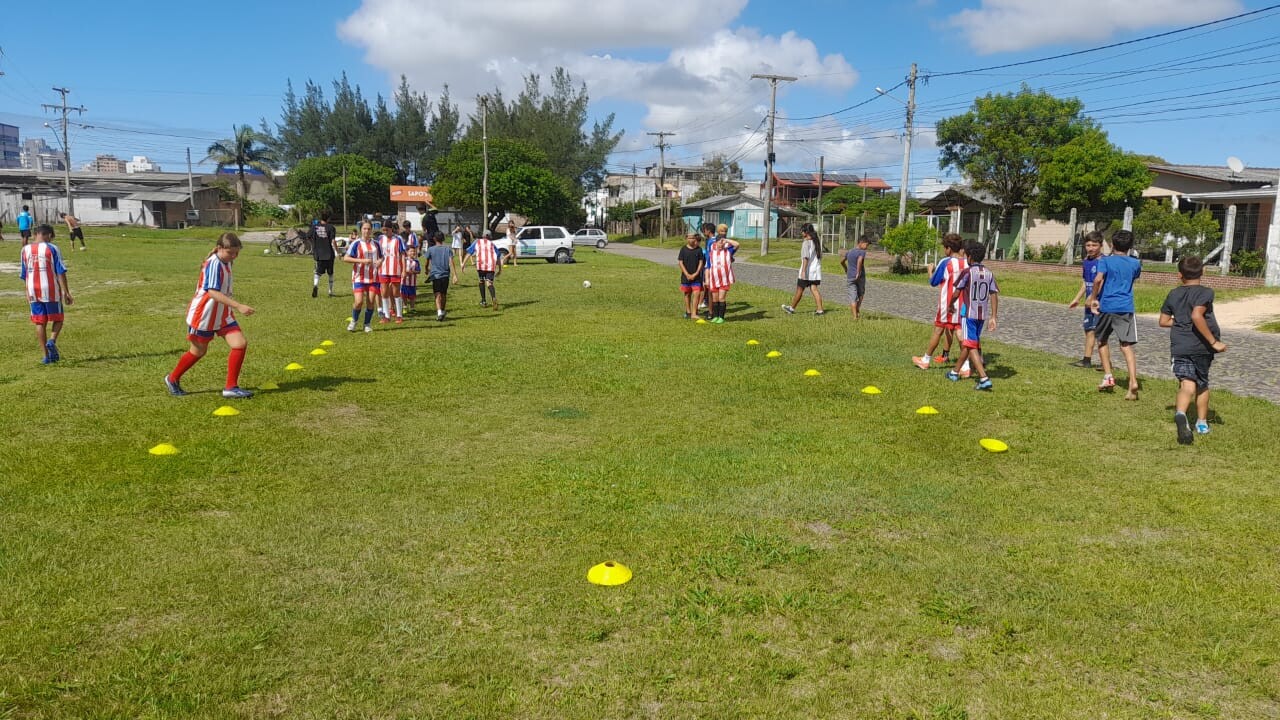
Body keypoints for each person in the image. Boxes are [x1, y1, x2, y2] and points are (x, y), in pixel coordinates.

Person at [164, 232, 254, 398]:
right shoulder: (214, 264)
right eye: (230, 252)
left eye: (236, 252)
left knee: (240, 344)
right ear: (220, 248)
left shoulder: (226, 261)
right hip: (203, 316)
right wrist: (239, 306)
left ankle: (231, 388)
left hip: (222, 314)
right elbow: (212, 292)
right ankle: (172, 378)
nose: (234, 256)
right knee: (198, 352)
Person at [1159, 255, 1227, 444]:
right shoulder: (1205, 292)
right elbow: (1197, 316)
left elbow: (1163, 321)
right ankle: (1202, 423)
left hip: (1180, 346)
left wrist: (1180, 322)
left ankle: (1181, 415)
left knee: (1187, 384)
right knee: (1202, 384)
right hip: (1201, 347)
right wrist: (1213, 341)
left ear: (1179, 275)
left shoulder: (1173, 294)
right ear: (1203, 272)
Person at [1090, 229, 1142, 400]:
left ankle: (1108, 376)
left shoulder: (1106, 261)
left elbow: (1098, 279)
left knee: (1102, 340)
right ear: (1130, 247)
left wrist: (1094, 298)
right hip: (1125, 307)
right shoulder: (1135, 263)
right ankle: (1133, 381)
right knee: (1126, 345)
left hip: (1107, 306)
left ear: (1112, 245)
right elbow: (1132, 279)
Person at [946, 241, 998, 391]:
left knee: (970, 344)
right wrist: (993, 316)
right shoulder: (989, 273)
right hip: (981, 316)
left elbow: (957, 292)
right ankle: (954, 372)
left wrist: (950, 305)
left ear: (969, 257)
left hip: (968, 314)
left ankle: (983, 378)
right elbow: (994, 294)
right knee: (970, 344)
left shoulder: (967, 272)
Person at [19, 224, 73, 364]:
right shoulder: (52, 248)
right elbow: (60, 271)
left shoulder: (24, 250)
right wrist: (66, 292)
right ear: (49, 235)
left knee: (39, 322)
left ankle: (46, 356)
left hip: (32, 289)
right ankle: (52, 340)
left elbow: (24, 274)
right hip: (50, 288)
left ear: (34, 235)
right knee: (59, 318)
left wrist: (27, 292)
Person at [913, 233, 967, 370]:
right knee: (960, 332)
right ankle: (966, 366)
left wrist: (930, 271)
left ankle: (925, 360)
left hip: (947, 304)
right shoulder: (967, 263)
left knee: (938, 330)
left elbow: (933, 282)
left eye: (944, 247)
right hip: (963, 305)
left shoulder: (945, 262)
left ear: (948, 248)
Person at [1066, 231, 1103, 368]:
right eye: (1088, 245)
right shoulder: (1086, 261)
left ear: (1100, 245)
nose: (1091, 248)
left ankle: (1104, 362)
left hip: (1098, 302)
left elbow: (1100, 282)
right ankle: (1087, 360)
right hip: (1088, 302)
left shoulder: (1103, 261)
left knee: (1098, 331)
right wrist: (1077, 299)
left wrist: (1092, 297)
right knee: (1088, 329)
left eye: (1094, 245)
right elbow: (1085, 282)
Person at [343, 221, 382, 333]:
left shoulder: (376, 244)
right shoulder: (356, 243)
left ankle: (367, 324)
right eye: (364, 228)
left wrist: (380, 261)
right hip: (359, 277)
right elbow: (346, 258)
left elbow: (381, 257)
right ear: (361, 230)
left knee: (370, 301)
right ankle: (354, 321)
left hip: (373, 278)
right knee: (359, 302)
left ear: (372, 230)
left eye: (369, 229)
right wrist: (362, 261)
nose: (367, 231)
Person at [782, 223, 826, 315]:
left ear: (806, 232)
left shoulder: (806, 243)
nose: (801, 233)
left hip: (807, 271)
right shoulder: (816, 242)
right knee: (814, 289)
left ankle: (791, 308)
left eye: (802, 231)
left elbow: (805, 258)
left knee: (799, 290)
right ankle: (820, 309)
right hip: (815, 271)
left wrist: (803, 271)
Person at [704, 229, 740, 323]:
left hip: (724, 279)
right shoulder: (711, 254)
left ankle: (721, 317)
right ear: (716, 243)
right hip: (714, 279)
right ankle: (715, 316)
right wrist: (707, 279)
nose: (721, 244)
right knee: (715, 299)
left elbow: (737, 244)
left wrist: (726, 240)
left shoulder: (728, 251)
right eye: (720, 242)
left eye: (723, 243)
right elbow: (708, 267)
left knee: (721, 298)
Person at [461, 230, 500, 309]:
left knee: (481, 281)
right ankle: (493, 298)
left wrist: (463, 264)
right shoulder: (492, 244)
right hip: (491, 265)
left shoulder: (477, 242)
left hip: (481, 265)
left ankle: (483, 301)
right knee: (489, 283)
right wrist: (500, 269)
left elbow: (469, 253)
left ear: (483, 236)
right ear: (489, 237)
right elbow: (498, 256)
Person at [426, 231, 459, 321]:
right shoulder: (448, 249)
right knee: (443, 294)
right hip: (445, 275)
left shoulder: (431, 249)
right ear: (443, 239)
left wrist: (426, 269)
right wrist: (454, 275)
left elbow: (427, 262)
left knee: (437, 293)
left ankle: (440, 311)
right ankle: (442, 310)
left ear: (434, 239)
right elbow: (451, 262)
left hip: (436, 275)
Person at [377, 224, 407, 323]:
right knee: (384, 292)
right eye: (383, 230)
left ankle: (399, 315)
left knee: (396, 292)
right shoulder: (380, 238)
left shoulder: (398, 239)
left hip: (395, 269)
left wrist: (404, 270)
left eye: (387, 230)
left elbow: (402, 255)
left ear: (391, 229)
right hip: (383, 269)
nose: (385, 232)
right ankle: (386, 316)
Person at [309, 211, 339, 298]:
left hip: (318, 254)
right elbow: (333, 241)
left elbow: (308, 236)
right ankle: (330, 291)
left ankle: (315, 285)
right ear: (328, 218)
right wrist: (338, 252)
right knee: (330, 273)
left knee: (318, 272)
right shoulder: (331, 227)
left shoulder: (315, 227)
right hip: (329, 254)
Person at [840, 234, 870, 319]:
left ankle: (855, 317)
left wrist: (846, 269)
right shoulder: (862, 252)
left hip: (850, 277)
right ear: (861, 242)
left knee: (852, 296)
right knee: (861, 294)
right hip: (860, 277)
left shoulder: (849, 251)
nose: (867, 247)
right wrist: (858, 272)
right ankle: (857, 309)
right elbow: (860, 260)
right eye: (866, 245)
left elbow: (841, 262)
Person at [677, 231, 705, 319]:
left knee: (696, 293)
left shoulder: (699, 250)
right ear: (686, 239)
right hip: (686, 277)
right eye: (689, 238)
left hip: (696, 277)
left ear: (695, 238)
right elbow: (680, 262)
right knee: (687, 294)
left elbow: (701, 262)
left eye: (692, 238)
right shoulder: (683, 249)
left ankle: (694, 313)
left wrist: (696, 273)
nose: (691, 240)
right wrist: (687, 274)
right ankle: (688, 311)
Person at [402, 246, 421, 314]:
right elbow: (401, 269)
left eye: (414, 251)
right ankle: (404, 307)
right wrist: (405, 271)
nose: (413, 252)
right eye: (411, 251)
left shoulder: (416, 261)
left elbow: (419, 271)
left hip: (412, 282)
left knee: (412, 296)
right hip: (404, 282)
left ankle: (412, 308)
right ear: (407, 252)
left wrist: (413, 272)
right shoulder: (404, 260)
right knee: (404, 295)